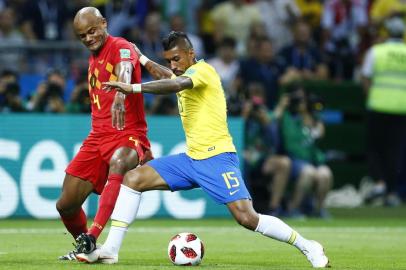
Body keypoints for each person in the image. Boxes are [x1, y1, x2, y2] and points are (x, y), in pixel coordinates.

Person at [74, 31, 329, 268]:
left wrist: (133, 87)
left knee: (247, 218)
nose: (173, 64)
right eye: (169, 60)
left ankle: (307, 245)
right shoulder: (182, 71)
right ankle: (111, 249)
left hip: (217, 159)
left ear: (191, 53)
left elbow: (175, 84)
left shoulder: (204, 71)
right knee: (132, 179)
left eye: (176, 58)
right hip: (191, 159)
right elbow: (167, 76)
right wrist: (141, 57)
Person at [56, 7, 152, 260]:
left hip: (128, 133)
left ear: (104, 23)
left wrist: (121, 94)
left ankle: (94, 237)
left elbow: (125, 70)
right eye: (82, 36)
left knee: (119, 162)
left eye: (92, 31)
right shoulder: (93, 56)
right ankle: (86, 246)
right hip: (97, 136)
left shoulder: (120, 45)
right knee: (65, 205)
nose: (88, 38)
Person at [361, 16, 406, 206]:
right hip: (401, 108)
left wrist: (372, 95)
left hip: (378, 106)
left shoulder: (376, 52)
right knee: (396, 151)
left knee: (375, 147)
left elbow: (365, 77)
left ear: (386, 33)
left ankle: (379, 183)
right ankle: (393, 191)